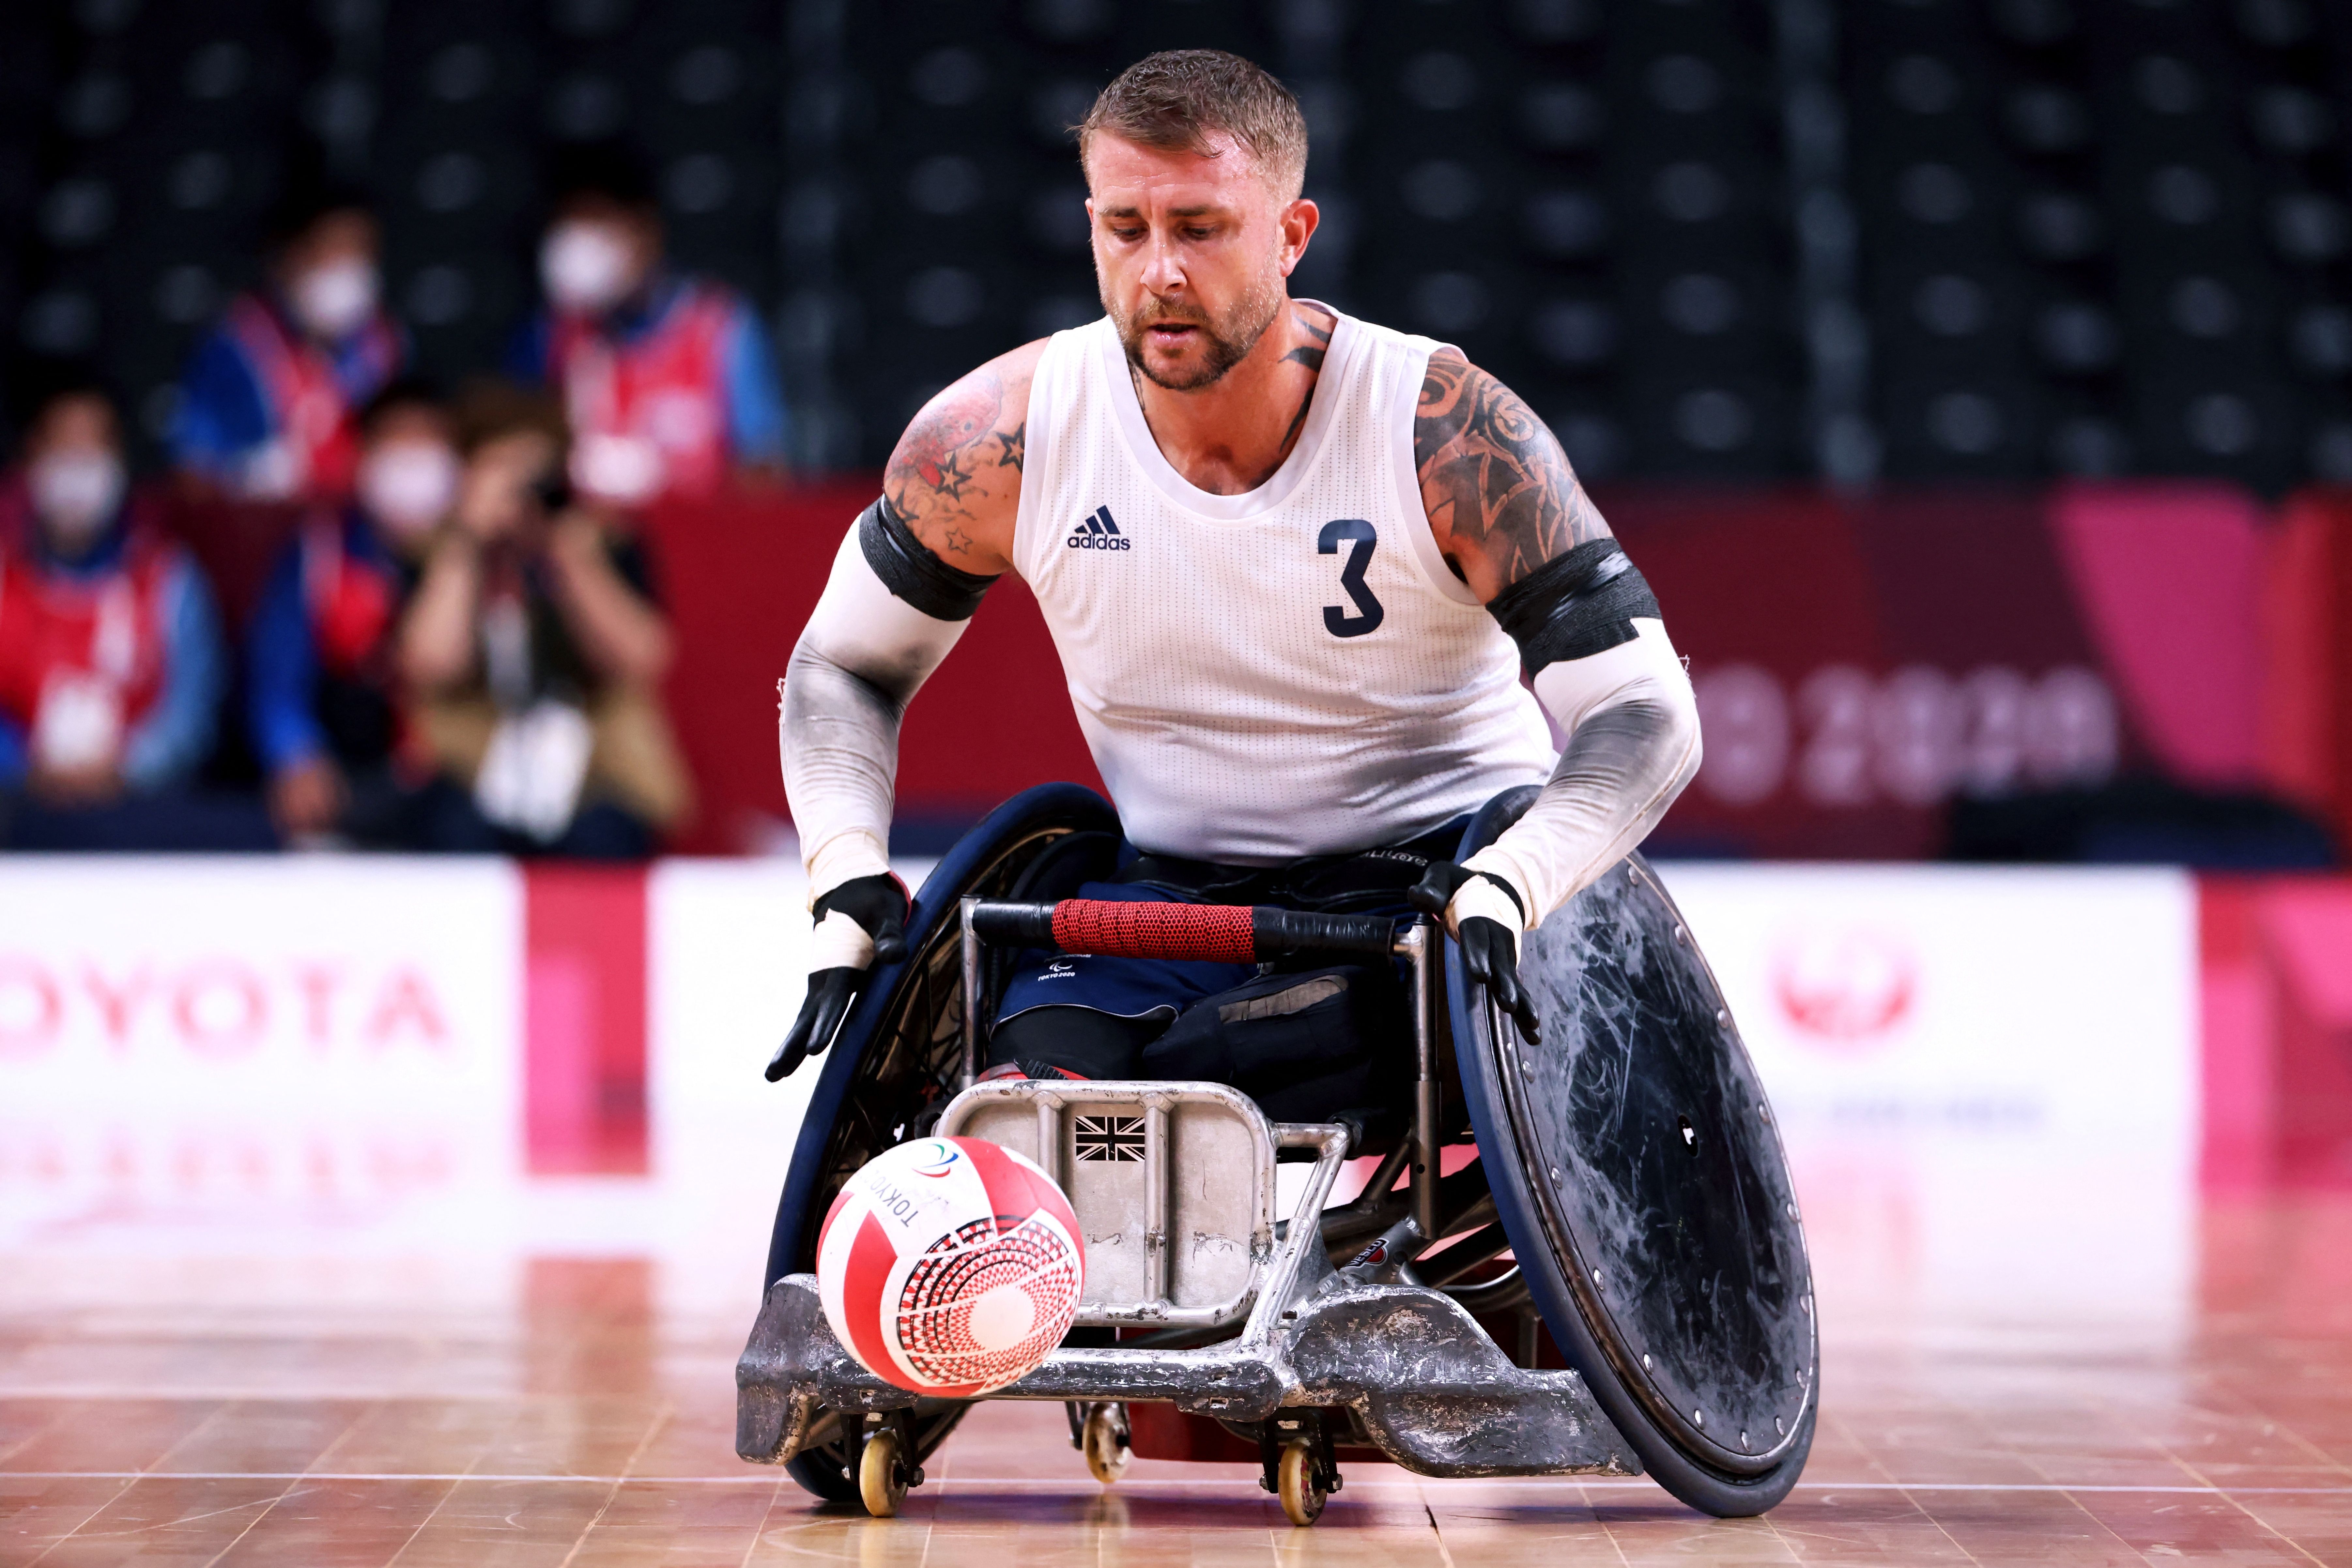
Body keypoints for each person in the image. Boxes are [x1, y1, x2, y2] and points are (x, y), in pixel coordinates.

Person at [768, 50, 1703, 1099]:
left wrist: (1517, 879)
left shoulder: (1446, 430)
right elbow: (841, 665)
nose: (1160, 270)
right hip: (1169, 902)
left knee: (1240, 1057)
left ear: (1292, 235)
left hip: (1435, 884)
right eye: (1127, 229)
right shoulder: (997, 436)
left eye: (1200, 228)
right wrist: (843, 866)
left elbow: (1646, 708)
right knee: (1027, 1103)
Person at [396, 381, 690, 857]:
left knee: (606, 836)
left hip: (594, 767)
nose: (519, 495)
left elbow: (642, 659)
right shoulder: (435, 552)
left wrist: (571, 556)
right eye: (501, 473)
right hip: (470, 766)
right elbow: (430, 664)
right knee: (450, 828)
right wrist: (467, 543)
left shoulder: (606, 543)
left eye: (534, 477)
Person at [0, 383, 259, 850]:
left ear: (120, 463)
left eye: (93, 449)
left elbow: (192, 714)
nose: (77, 468)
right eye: (63, 447)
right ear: (32, 459)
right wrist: (24, 766)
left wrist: (123, 769)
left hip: (140, 818)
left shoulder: (170, 578)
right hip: (17, 810)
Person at [507, 146, 789, 511]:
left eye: (600, 224)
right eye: (572, 226)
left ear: (645, 228)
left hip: (699, 536)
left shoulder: (721, 327)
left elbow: (763, 472)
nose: (585, 245)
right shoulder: (551, 336)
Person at [246, 379, 457, 846]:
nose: (413, 464)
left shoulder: (477, 554)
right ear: (364, 457)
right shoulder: (319, 555)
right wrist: (295, 755)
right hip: (351, 776)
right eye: (397, 444)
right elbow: (278, 676)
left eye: (427, 444)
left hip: (452, 784)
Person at [171, 187, 405, 503]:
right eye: (334, 249)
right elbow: (192, 467)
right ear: (292, 256)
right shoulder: (235, 342)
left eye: (361, 252)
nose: (348, 267)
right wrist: (243, 476)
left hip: (353, 520)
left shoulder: (385, 345)